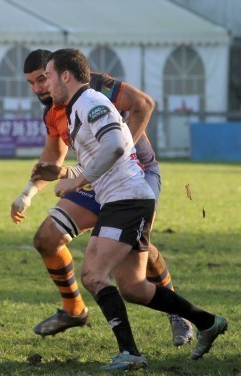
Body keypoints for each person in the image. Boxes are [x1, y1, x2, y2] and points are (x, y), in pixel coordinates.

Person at [41, 48, 227, 370]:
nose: (46, 83)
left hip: (127, 200)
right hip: (123, 200)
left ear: (66, 76)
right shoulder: (77, 107)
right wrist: (70, 174)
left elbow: (115, 145)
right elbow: (108, 150)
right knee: (133, 286)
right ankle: (208, 322)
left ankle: (130, 353)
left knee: (93, 275)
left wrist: (78, 180)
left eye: (49, 75)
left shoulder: (89, 102)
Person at [11, 49, 194, 345]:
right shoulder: (53, 109)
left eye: (42, 79)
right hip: (93, 177)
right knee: (46, 239)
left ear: (59, 74)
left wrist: (121, 152)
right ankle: (74, 310)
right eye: (30, 83)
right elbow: (53, 162)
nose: (37, 89)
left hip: (136, 171)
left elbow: (144, 104)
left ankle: (179, 313)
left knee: (136, 251)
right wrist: (27, 193)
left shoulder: (94, 88)